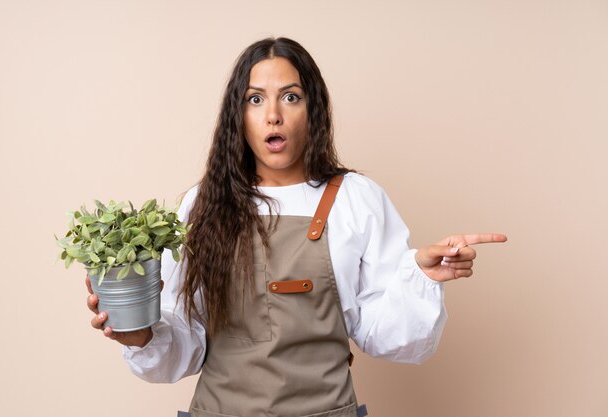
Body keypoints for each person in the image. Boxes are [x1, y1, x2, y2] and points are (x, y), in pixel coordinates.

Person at [86, 37, 507, 417]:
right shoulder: (203, 205)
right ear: (238, 115)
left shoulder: (357, 199)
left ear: (314, 109)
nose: (273, 115)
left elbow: (387, 337)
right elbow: (186, 343)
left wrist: (419, 276)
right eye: (255, 100)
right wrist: (138, 334)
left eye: (290, 97)